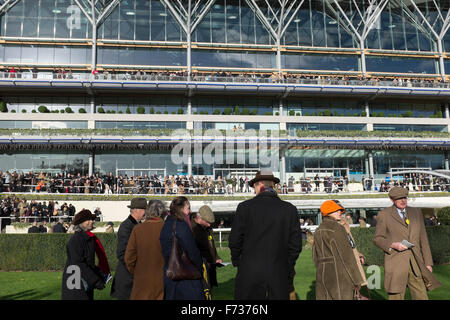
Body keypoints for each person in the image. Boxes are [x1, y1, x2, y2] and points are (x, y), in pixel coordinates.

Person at [228, 170, 302, 300]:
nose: (253, 191)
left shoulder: (245, 207)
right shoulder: (289, 209)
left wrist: (239, 262)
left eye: (254, 187)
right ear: (272, 185)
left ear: (259, 185)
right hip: (278, 271)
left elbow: (234, 241)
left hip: (250, 272)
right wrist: (287, 265)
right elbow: (295, 245)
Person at [373, 187, 441, 300]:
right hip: (395, 261)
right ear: (391, 200)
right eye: (399, 198)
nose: (403, 201)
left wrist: (428, 262)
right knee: (396, 296)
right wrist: (393, 245)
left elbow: (423, 239)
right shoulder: (384, 214)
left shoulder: (416, 212)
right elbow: (377, 239)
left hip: (416, 261)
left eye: (404, 197)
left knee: (421, 295)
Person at [312, 200, 366, 300]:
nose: (340, 213)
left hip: (322, 275)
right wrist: (357, 280)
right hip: (340, 277)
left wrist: (322, 269)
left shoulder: (318, 230)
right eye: (336, 211)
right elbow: (347, 256)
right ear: (329, 213)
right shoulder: (337, 228)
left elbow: (315, 257)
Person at [160, 196, 204, 300]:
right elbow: (192, 252)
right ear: (181, 209)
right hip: (185, 277)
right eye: (188, 208)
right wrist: (200, 266)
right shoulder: (181, 225)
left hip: (170, 275)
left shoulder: (166, 224)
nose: (190, 211)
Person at [124, 200, 167, 300]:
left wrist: (137, 272)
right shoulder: (168, 228)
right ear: (163, 212)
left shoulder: (138, 229)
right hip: (162, 280)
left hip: (141, 280)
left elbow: (129, 258)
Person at [61, 210, 107, 300]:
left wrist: (101, 274)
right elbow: (78, 264)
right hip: (75, 284)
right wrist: (96, 281)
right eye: (88, 220)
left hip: (83, 282)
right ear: (80, 223)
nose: (91, 221)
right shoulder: (75, 240)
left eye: (92, 219)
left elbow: (88, 263)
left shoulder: (88, 239)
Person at [110, 198, 146, 300]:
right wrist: (135, 268)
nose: (146, 213)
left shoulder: (137, 225)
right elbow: (122, 253)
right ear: (136, 210)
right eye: (144, 210)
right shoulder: (127, 226)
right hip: (127, 279)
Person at [191, 205, 222, 291]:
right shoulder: (192, 229)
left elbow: (211, 246)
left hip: (210, 269)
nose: (209, 225)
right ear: (199, 218)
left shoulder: (208, 228)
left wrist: (216, 258)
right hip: (199, 270)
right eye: (207, 222)